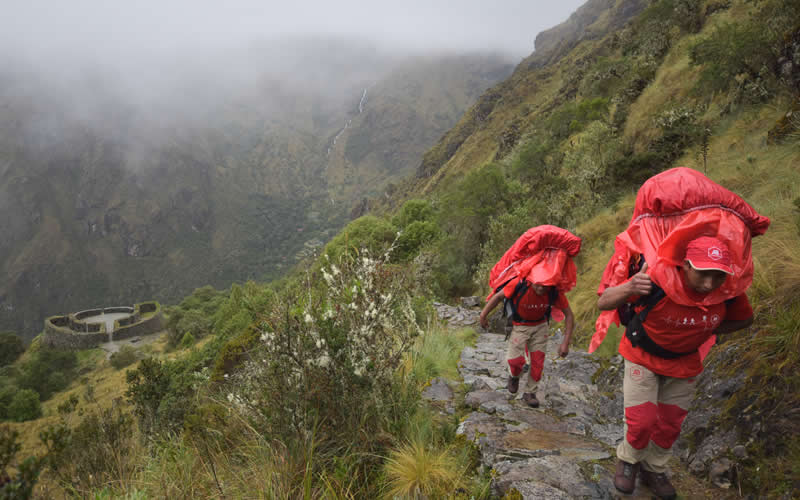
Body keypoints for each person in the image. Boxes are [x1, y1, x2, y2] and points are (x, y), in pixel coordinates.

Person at [598, 236, 754, 499]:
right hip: (642, 355)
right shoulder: (656, 278)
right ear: (686, 265)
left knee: (670, 423)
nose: (709, 284)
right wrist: (629, 287)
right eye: (703, 274)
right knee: (642, 420)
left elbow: (745, 319)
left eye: (718, 276)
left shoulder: (727, 292)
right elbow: (604, 302)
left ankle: (654, 468)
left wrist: (703, 328)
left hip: (684, 362)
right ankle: (629, 461)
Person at [480, 278, 574, 408]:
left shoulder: (554, 292)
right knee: (515, 362)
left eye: (545, 286)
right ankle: (514, 376)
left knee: (537, 363)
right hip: (520, 325)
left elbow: (569, 315)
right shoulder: (519, 284)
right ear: (531, 280)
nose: (541, 288)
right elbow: (498, 297)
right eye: (538, 285)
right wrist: (483, 316)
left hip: (541, 327)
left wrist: (565, 343)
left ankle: (530, 393)